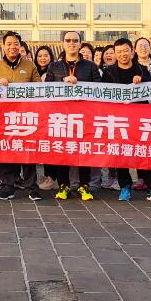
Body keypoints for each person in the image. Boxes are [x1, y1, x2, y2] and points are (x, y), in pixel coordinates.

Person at [45, 30, 103, 201]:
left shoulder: (90, 66)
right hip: (61, 115)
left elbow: (98, 88)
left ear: (80, 44)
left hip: (84, 115)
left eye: (75, 40)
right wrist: (62, 82)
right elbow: (47, 89)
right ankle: (64, 185)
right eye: (68, 40)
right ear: (63, 43)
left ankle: (84, 186)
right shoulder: (54, 66)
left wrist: (80, 84)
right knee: (62, 150)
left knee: (83, 149)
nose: (72, 43)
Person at [101, 38, 151, 201]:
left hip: (140, 118)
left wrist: (142, 81)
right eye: (119, 51)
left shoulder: (141, 69)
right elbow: (103, 94)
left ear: (132, 51)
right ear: (115, 53)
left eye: (126, 50)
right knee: (121, 154)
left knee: (145, 153)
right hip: (118, 119)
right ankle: (125, 187)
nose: (123, 54)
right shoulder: (109, 72)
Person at [0, 31, 42, 201]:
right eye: (9, 44)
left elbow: (39, 87)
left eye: (16, 44)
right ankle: (7, 187)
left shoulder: (30, 66)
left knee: (28, 151)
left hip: (26, 115)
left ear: (20, 46)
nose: (12, 47)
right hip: (4, 117)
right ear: (3, 46)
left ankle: (32, 188)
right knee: (5, 151)